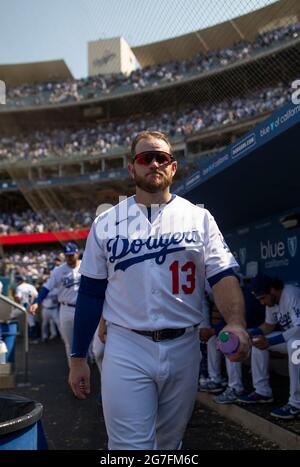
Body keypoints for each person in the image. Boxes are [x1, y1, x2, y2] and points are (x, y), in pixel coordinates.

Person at [69, 130, 250, 450]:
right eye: (144, 158)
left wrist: (235, 322)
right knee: (129, 446)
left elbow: (223, 275)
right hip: (127, 345)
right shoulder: (107, 222)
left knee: (169, 443)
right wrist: (78, 356)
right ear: (132, 169)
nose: (153, 163)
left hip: (184, 345)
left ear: (173, 167)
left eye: (161, 158)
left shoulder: (199, 218)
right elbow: (91, 293)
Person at [237, 274, 300, 419]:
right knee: (258, 341)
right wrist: (253, 333)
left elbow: (299, 328)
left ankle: (296, 404)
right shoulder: (271, 302)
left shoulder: (291, 294)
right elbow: (269, 325)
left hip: (296, 341)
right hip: (291, 339)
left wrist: (270, 342)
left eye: (263, 298)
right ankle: (262, 391)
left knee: (295, 345)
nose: (262, 302)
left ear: (273, 290)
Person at [28, 243, 81, 365]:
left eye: (72, 255)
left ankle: (90, 360)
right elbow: (46, 288)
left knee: (89, 340)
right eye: (67, 256)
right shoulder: (59, 271)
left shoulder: (86, 266)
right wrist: (36, 302)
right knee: (69, 343)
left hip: (84, 308)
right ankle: (73, 368)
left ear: (77, 253)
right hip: (66, 309)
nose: (69, 258)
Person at [14, 274, 39, 341]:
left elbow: (18, 298)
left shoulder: (19, 287)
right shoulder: (31, 286)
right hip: (31, 306)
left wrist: (18, 301)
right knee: (32, 322)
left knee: (10, 316)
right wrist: (33, 305)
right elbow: (37, 296)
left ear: (19, 281)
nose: (16, 282)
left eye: (17, 281)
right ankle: (33, 338)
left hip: (23, 306)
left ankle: (33, 338)